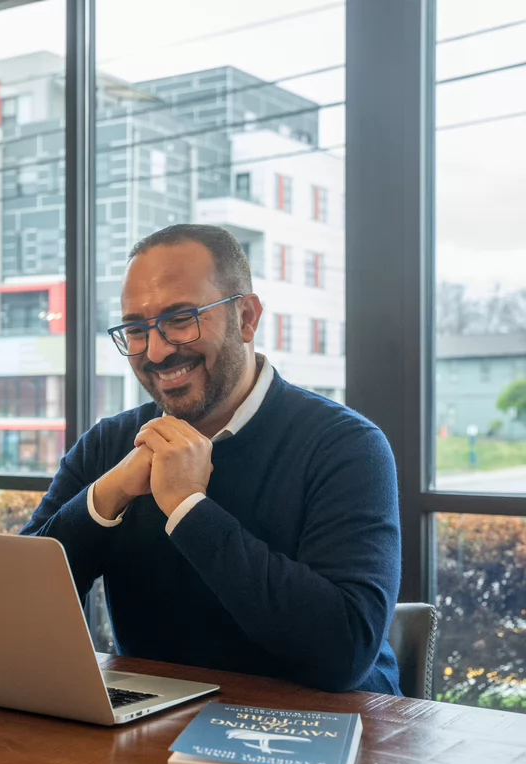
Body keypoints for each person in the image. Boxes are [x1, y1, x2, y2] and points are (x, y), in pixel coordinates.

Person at [21, 224, 402, 695]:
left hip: (324, 733)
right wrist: (108, 494)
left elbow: (342, 654)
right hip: (154, 728)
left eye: (181, 319)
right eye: (136, 329)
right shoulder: (110, 445)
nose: (156, 351)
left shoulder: (346, 446)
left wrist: (187, 508)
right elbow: (16, 608)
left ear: (246, 317)